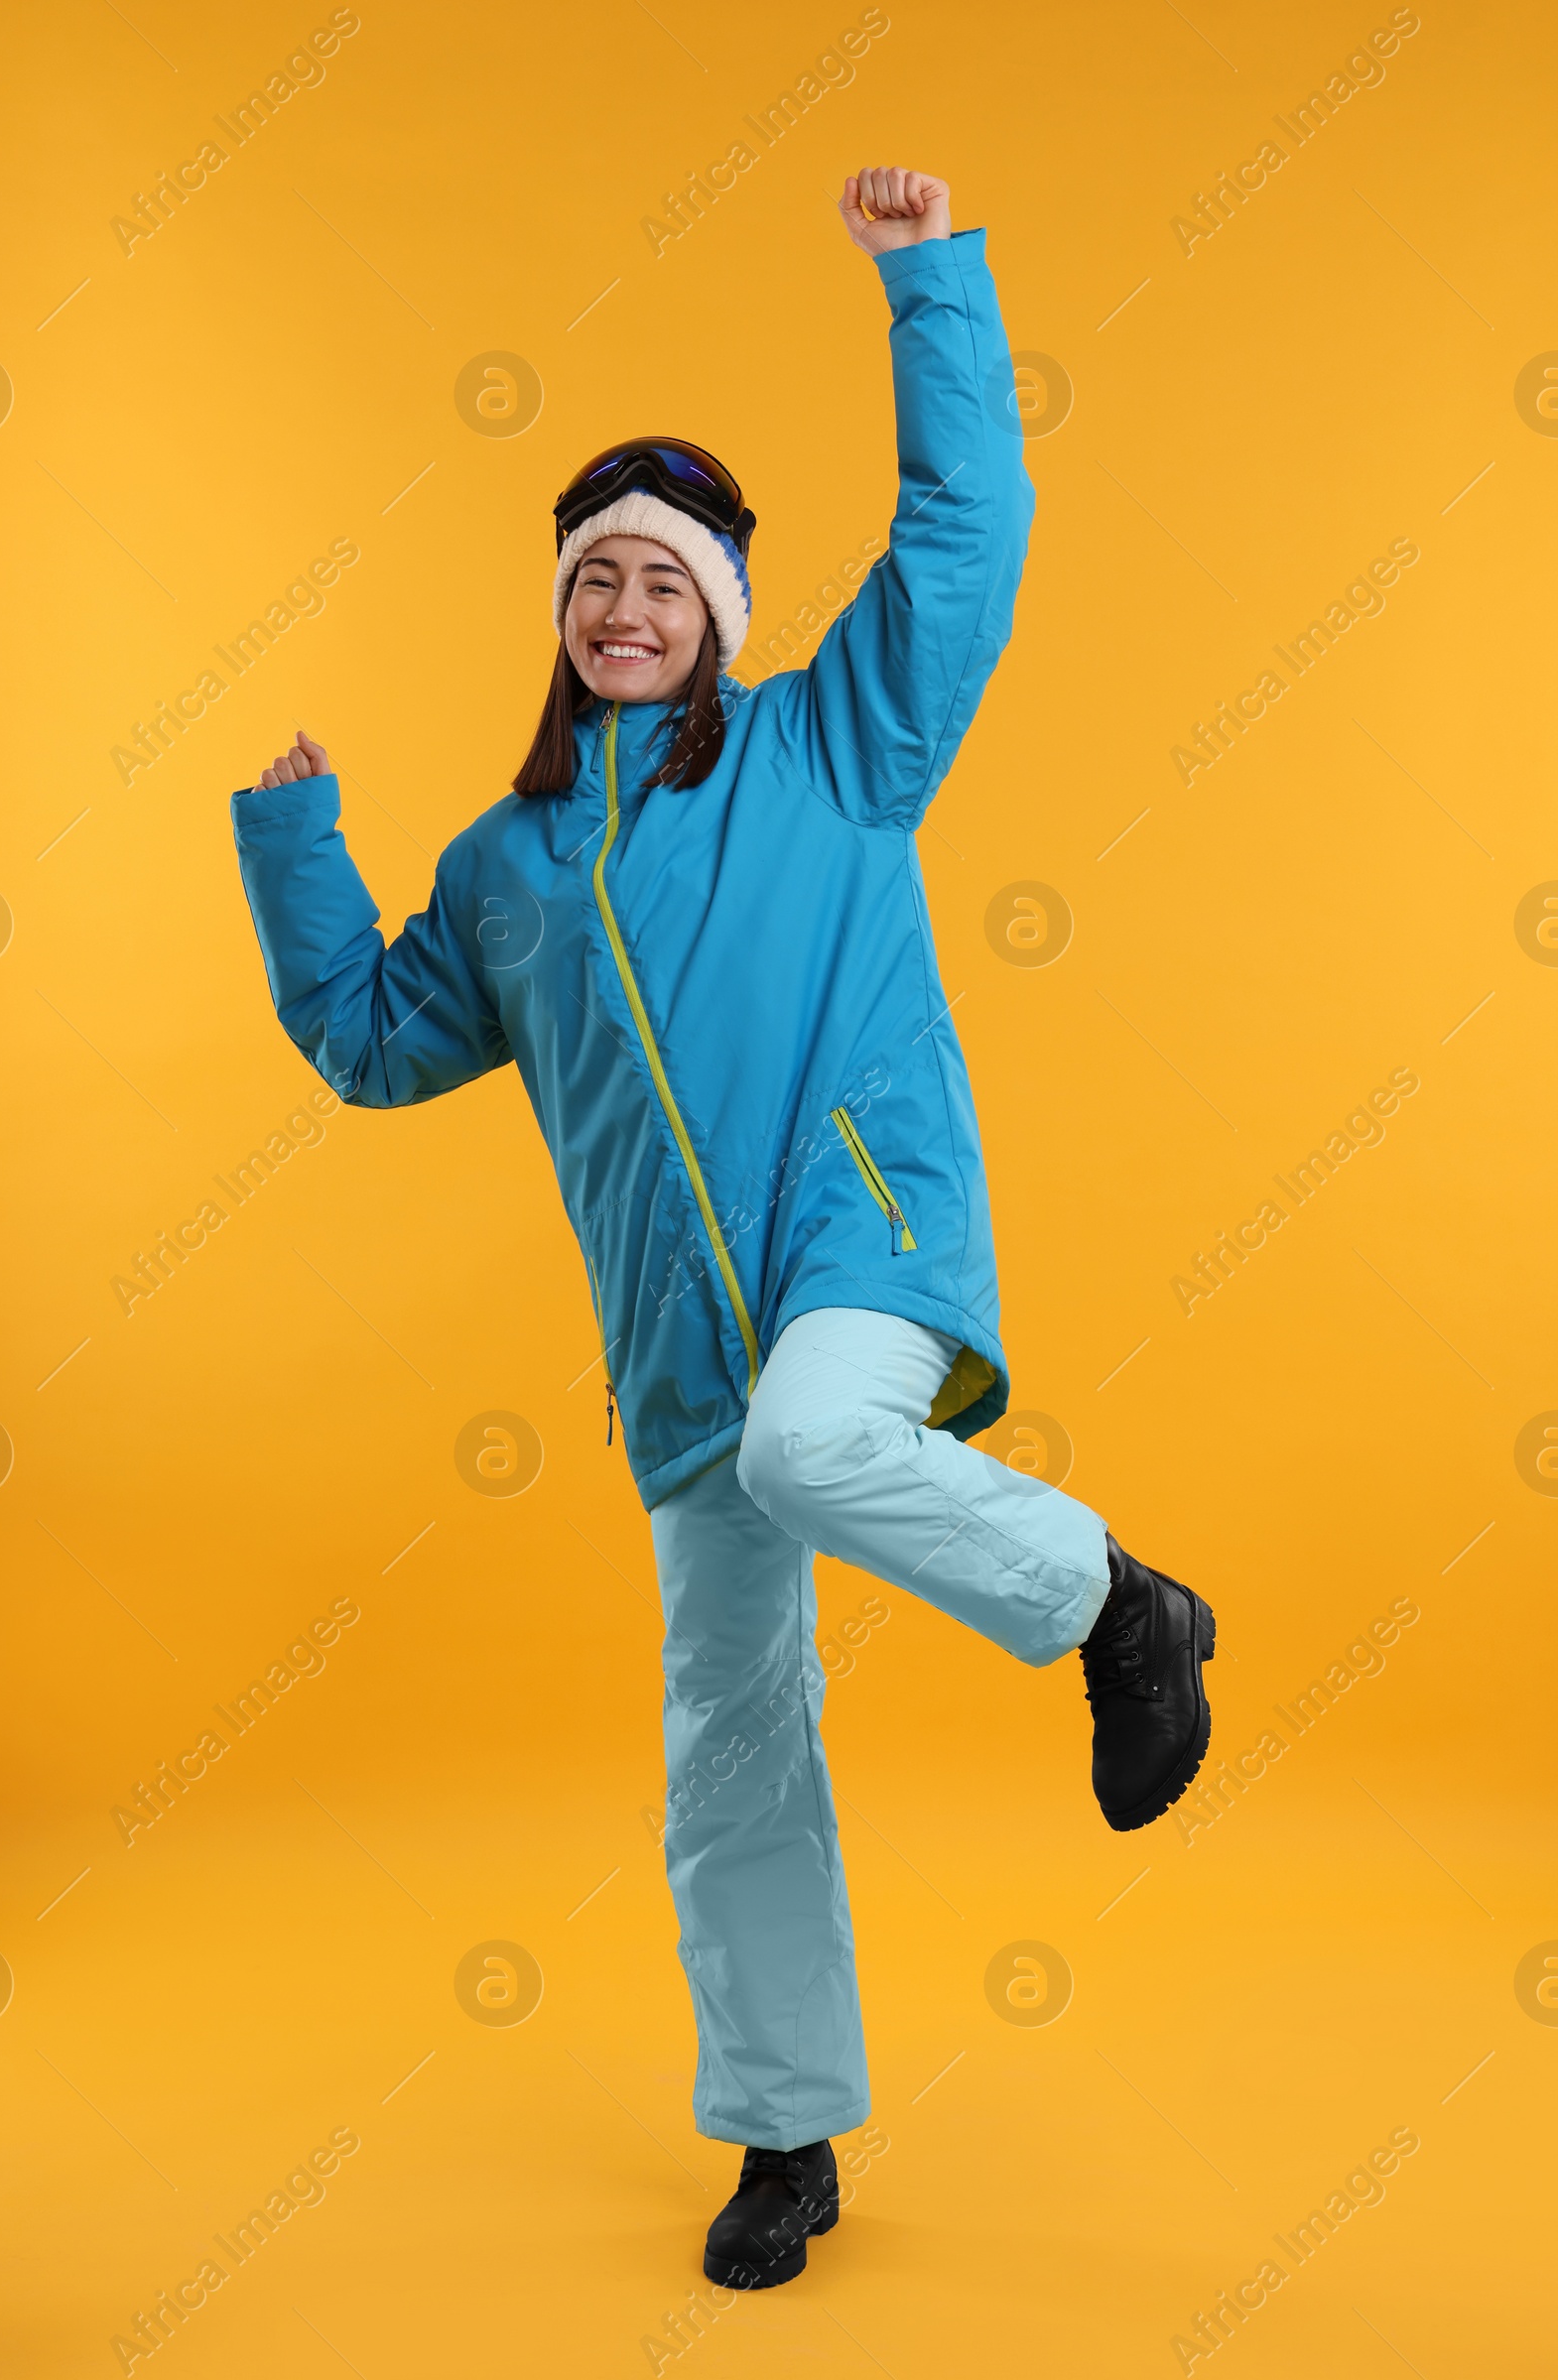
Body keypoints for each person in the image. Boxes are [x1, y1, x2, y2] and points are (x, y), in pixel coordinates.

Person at [231, 166, 1216, 2291]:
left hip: (860, 1256)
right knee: (729, 1747)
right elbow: (367, 1041)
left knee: (815, 1442)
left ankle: (1117, 1606)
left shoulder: (830, 751)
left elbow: (962, 542)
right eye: (594, 579)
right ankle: (785, 2139)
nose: (624, 610)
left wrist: (926, 284)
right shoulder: (502, 869)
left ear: (719, 617)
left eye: (663, 582)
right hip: (678, 1365)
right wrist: (297, 840)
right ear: (563, 613)